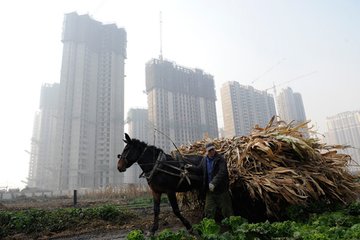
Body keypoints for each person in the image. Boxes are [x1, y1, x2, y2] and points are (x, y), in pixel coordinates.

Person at [187, 142, 233, 219]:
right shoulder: (204, 160)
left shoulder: (220, 159)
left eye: (212, 149)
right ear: (207, 151)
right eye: (209, 150)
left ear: (214, 149)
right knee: (208, 211)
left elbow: (222, 172)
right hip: (210, 191)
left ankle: (233, 227)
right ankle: (208, 228)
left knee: (227, 211)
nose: (211, 152)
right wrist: (190, 167)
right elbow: (199, 169)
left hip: (221, 190)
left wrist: (213, 183)